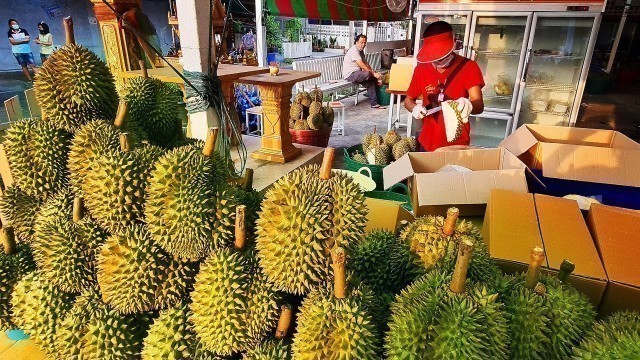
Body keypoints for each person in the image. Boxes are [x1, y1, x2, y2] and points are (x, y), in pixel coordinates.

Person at [404, 21, 484, 151]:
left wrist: (469, 105)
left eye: (441, 56)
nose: (438, 61)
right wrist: (414, 108)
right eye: (433, 58)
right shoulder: (421, 69)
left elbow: (479, 104)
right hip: (426, 142)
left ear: (452, 47)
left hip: (457, 144)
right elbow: (408, 100)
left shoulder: (469, 67)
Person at [342, 34, 385, 109]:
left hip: (359, 74)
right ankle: (377, 81)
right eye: (361, 42)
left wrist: (373, 72)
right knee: (368, 74)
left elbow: (366, 64)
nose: (363, 45)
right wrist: (374, 75)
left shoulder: (361, 51)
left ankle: (374, 103)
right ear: (357, 42)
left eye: (364, 43)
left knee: (370, 81)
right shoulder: (354, 50)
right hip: (350, 75)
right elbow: (362, 65)